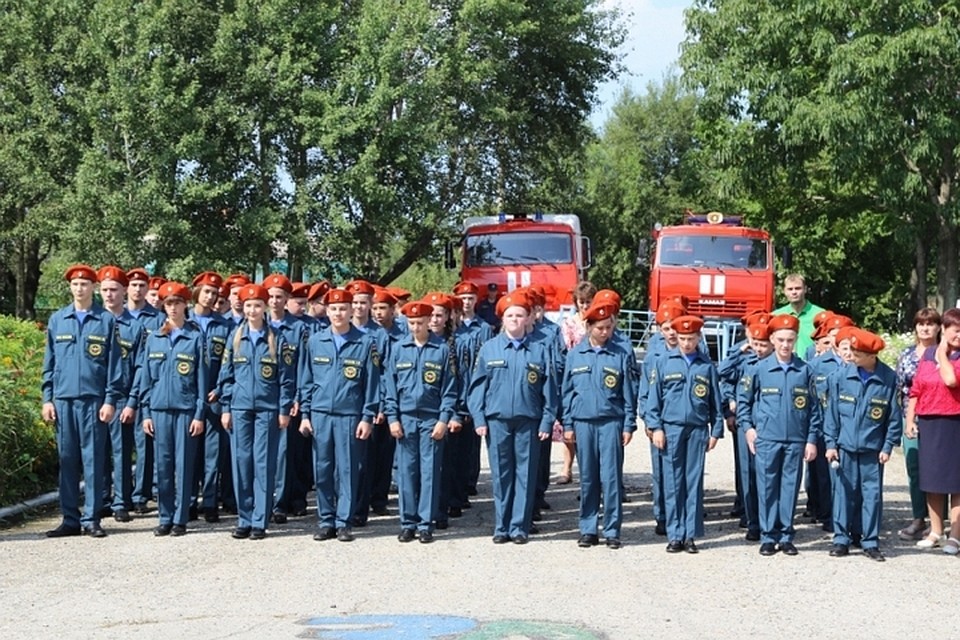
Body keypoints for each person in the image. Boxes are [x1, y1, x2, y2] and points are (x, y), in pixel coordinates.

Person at [468, 291, 560, 544]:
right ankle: (502, 525)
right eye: (509, 315)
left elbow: (549, 390)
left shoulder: (540, 350)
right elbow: (477, 388)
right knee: (501, 474)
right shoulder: (489, 349)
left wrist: (546, 420)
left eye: (519, 315)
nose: (514, 319)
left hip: (528, 420)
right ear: (502, 318)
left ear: (528, 318)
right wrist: (478, 419)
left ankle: (519, 526)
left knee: (526, 474)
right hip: (497, 421)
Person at [42, 265, 123, 538]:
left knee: (94, 460)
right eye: (76, 284)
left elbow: (114, 366)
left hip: (93, 401)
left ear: (93, 288)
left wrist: (110, 399)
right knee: (67, 461)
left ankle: (92, 518)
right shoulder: (57, 320)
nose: (80, 289)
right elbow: (49, 364)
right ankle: (70, 519)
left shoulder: (106, 320)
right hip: (63, 400)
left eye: (85, 284)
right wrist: (47, 399)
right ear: (70, 287)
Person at [299, 287, 380, 542]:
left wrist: (367, 417)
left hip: (349, 415)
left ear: (351, 310)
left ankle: (344, 521)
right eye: (333, 308)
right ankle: (326, 520)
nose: (338, 313)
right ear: (327, 311)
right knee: (322, 469)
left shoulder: (365, 343)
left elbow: (372, 385)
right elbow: (306, 381)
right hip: (321, 414)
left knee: (347, 469)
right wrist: (304, 414)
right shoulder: (315, 341)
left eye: (343, 308)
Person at [737, 314, 821, 556]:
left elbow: (814, 408)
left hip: (795, 439)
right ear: (772, 339)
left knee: (789, 488)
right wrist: (748, 429)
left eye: (790, 340)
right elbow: (744, 401)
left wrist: (811, 439)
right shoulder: (759, 369)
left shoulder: (805, 370)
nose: (785, 345)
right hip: (767, 439)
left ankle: (786, 535)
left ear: (795, 340)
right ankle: (767, 535)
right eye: (781, 339)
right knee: (766, 487)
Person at [218, 283, 296, 540]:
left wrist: (284, 409)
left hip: (267, 409)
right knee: (241, 463)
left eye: (257, 305)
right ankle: (244, 518)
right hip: (240, 408)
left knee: (263, 464)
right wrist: (226, 408)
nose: (252, 310)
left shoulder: (277, 339)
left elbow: (286, 379)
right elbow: (226, 377)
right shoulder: (235, 337)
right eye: (248, 305)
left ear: (264, 308)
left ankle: (260, 521)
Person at [644, 315, 724, 553]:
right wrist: (656, 427)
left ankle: (691, 535)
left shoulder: (706, 366)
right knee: (672, 481)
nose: (687, 343)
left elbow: (715, 404)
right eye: (683, 338)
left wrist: (715, 431)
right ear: (676, 338)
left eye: (691, 338)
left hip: (697, 430)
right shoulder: (663, 362)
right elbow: (653, 400)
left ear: (699, 338)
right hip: (671, 428)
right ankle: (675, 534)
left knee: (694, 482)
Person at [561, 301, 636, 549]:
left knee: (611, 478)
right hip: (583, 423)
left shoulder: (620, 354)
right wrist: (568, 425)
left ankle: (612, 530)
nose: (605, 332)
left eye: (609, 327)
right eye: (600, 328)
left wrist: (628, 425)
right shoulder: (574, 356)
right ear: (589, 326)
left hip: (611, 422)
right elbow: (568, 394)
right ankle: (588, 528)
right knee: (588, 478)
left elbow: (628, 393)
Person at [823, 328, 901, 561]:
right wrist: (830, 444)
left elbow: (893, 416)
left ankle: (870, 541)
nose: (851, 356)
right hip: (845, 447)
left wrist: (887, 446)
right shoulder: (841, 377)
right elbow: (832, 415)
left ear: (871, 356)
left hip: (872, 451)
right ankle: (841, 539)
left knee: (871, 496)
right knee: (843, 494)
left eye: (857, 353)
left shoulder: (888, 378)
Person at [383, 300, 457, 543]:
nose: (415, 327)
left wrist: (443, 419)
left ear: (429, 322)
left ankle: (426, 524)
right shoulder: (398, 349)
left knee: (430, 473)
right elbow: (390, 389)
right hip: (405, 419)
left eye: (420, 323)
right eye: (411, 323)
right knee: (406, 473)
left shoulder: (441, 350)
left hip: (430, 419)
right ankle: (408, 523)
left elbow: (449, 390)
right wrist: (393, 419)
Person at [139, 282, 208, 536]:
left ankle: (181, 518)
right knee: (163, 467)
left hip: (185, 410)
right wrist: (145, 413)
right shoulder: (154, 338)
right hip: (159, 411)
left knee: (184, 465)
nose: (172, 308)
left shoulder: (195, 338)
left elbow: (202, 381)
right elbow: (146, 380)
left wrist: (200, 414)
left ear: (185, 305)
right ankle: (165, 516)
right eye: (168, 303)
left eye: (177, 303)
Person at [906, 307, 960, 553]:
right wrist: (910, 419)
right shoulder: (926, 354)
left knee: (956, 483)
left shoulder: (952, 356)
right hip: (929, 423)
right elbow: (916, 389)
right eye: (955, 330)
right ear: (946, 329)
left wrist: (943, 355)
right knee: (932, 481)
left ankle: (955, 536)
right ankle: (936, 531)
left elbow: (950, 380)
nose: (958, 335)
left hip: (954, 423)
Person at [97, 266, 145, 524]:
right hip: (96, 397)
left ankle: (121, 501)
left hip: (123, 398)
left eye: (114, 290)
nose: (109, 295)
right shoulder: (94, 322)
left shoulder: (134, 327)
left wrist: (133, 401)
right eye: (104, 290)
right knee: (98, 451)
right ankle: (102, 498)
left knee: (122, 451)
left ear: (124, 291)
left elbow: (140, 368)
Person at [637, 301, 687, 536]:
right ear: (660, 330)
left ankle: (682, 513)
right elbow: (645, 390)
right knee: (661, 470)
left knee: (683, 470)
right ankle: (662, 514)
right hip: (659, 421)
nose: (672, 333)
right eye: (667, 328)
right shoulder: (653, 356)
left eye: (675, 328)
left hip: (681, 420)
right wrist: (648, 420)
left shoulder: (691, 350)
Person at [189, 271, 234, 522]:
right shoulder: (184, 322)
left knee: (212, 454)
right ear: (196, 292)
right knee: (189, 453)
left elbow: (228, 363)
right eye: (206, 291)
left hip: (214, 398)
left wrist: (219, 388)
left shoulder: (224, 326)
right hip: (188, 398)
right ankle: (188, 502)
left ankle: (209, 502)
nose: (210, 297)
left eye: (214, 293)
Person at [895, 307, 940, 540]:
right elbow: (900, 390)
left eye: (930, 323)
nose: (925, 328)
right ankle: (918, 518)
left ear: (938, 327)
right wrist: (903, 421)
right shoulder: (906, 356)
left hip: (940, 419)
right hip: (911, 418)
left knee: (940, 470)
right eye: (921, 324)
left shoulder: (947, 354)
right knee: (914, 469)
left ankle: (940, 523)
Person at [557, 280, 597, 485]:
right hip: (574, 372)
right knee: (569, 423)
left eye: (588, 301)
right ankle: (566, 468)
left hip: (594, 374)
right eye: (581, 302)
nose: (584, 305)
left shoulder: (598, 321)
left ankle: (589, 475)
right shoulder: (570, 323)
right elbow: (565, 348)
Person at [772, 274, 825, 357]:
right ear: (785, 291)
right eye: (790, 289)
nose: (794, 292)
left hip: (812, 365)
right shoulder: (776, 316)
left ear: (805, 289)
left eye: (798, 288)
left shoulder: (820, 315)